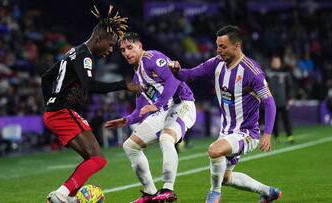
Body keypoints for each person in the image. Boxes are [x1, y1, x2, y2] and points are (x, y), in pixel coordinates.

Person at [169, 25, 282, 203]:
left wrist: (267, 134)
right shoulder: (216, 63)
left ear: (236, 46)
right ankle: (269, 192)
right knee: (225, 177)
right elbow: (190, 75)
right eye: (217, 46)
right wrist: (176, 71)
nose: (218, 50)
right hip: (227, 132)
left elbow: (269, 102)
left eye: (223, 46)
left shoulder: (252, 72)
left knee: (214, 150)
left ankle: (214, 194)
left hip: (246, 133)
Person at [41, 5, 140, 203]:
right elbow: (90, 85)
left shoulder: (72, 53)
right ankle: (62, 194)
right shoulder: (84, 55)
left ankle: (65, 197)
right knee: (98, 159)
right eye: (110, 45)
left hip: (56, 111)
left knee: (92, 159)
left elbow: (46, 78)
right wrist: (123, 85)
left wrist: (49, 105)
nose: (111, 50)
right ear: (98, 39)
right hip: (62, 111)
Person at [104, 32, 196, 203]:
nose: (126, 53)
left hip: (182, 104)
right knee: (130, 146)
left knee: (166, 138)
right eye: (123, 50)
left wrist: (157, 104)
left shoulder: (153, 57)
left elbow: (173, 81)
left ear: (140, 46)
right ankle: (150, 193)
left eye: (130, 47)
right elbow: (140, 108)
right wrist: (127, 120)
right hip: (163, 110)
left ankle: (168, 189)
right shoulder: (136, 75)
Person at [266, 56, 294, 144]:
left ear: (280, 63)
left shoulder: (285, 73)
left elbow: (290, 87)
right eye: (274, 62)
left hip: (283, 101)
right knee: (273, 120)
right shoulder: (268, 73)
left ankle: (290, 137)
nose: (276, 63)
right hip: (272, 101)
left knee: (286, 120)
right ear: (272, 63)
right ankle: (276, 137)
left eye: (278, 62)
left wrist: (289, 98)